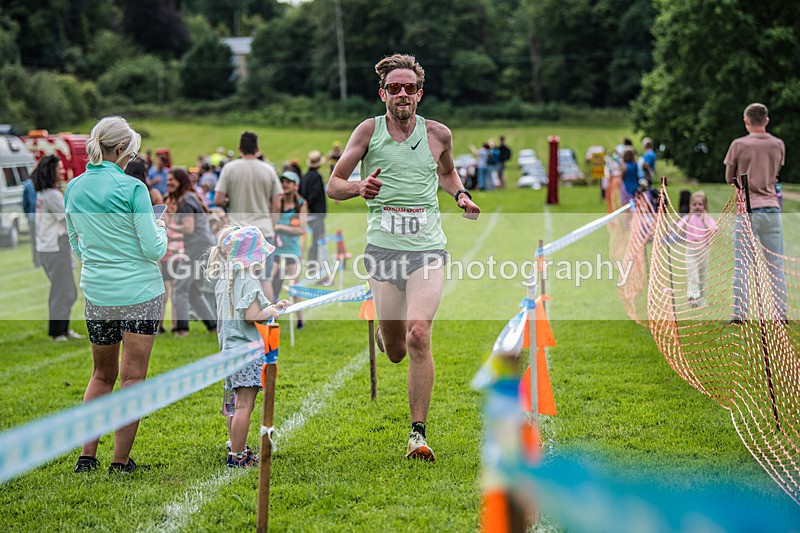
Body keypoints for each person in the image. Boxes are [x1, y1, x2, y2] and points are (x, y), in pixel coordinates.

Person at [326, 53, 480, 461]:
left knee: (419, 334)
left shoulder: (438, 134)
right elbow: (334, 185)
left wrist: (460, 195)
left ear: (419, 93)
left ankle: (418, 433)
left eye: (409, 87)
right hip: (383, 251)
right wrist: (359, 188)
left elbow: (447, 173)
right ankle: (384, 332)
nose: (402, 94)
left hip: (427, 249)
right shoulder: (367, 131)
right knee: (394, 348)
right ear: (383, 94)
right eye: (394, 88)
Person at [65, 115, 167, 473]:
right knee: (133, 378)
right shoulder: (133, 189)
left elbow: (76, 243)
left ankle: (86, 456)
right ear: (121, 148)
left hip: (98, 292)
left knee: (101, 375)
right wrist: (161, 226)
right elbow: (153, 249)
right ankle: (120, 462)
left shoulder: (74, 188)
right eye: (131, 152)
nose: (131, 158)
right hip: (140, 291)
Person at [207, 225, 289, 468]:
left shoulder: (227, 278)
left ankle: (236, 446)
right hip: (246, 351)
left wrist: (274, 306)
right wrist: (270, 311)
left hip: (228, 350)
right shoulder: (249, 279)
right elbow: (252, 315)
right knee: (244, 405)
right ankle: (238, 456)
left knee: (233, 404)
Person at [724, 102, 786, 323]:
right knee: (775, 264)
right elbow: (775, 173)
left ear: (746, 121)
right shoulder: (778, 144)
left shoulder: (739, 144)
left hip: (747, 209)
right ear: (766, 120)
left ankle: (740, 315)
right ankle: (780, 315)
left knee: (742, 264)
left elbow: (729, 176)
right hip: (771, 208)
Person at [214, 131, 283, 301]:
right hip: (263, 229)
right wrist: (272, 224)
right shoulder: (268, 169)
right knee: (265, 278)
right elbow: (276, 204)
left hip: (237, 231)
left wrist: (230, 202)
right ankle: (268, 321)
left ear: (239, 148)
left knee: (235, 278)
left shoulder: (229, 168)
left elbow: (218, 199)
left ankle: (236, 316)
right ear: (257, 148)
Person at [32, 155, 81, 341]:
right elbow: (69, 219)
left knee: (65, 291)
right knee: (64, 291)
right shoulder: (52, 195)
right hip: (55, 247)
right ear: (50, 171)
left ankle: (63, 330)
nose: (63, 171)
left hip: (49, 247)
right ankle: (57, 332)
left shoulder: (45, 193)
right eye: (59, 168)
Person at [166, 167, 217, 336]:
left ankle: (182, 330)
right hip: (204, 246)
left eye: (172, 179)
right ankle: (213, 326)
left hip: (197, 247)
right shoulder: (190, 197)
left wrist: (167, 225)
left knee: (180, 287)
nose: (168, 182)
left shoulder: (186, 200)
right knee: (194, 290)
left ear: (180, 181)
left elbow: (188, 228)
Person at [272, 170, 308, 328]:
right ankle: (269, 317)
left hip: (292, 251)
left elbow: (301, 229)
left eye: (288, 182)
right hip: (275, 251)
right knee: (269, 281)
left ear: (295, 185)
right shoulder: (276, 201)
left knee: (294, 287)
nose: (285, 184)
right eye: (283, 181)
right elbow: (270, 224)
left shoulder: (301, 204)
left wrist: (280, 227)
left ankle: (300, 320)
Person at [676, 191, 717, 308]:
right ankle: (693, 298)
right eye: (694, 204)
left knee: (702, 277)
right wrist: (687, 218)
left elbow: (713, 231)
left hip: (703, 251)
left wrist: (704, 220)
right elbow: (678, 230)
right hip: (690, 251)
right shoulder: (688, 218)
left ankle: (701, 300)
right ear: (690, 205)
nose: (697, 207)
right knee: (692, 275)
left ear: (705, 205)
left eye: (700, 204)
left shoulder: (707, 218)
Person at [299, 150, 328, 266]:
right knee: (318, 240)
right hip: (316, 213)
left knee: (313, 240)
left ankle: (312, 262)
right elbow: (314, 195)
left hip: (309, 214)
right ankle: (314, 263)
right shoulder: (316, 177)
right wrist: (309, 206)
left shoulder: (305, 176)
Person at [22, 172, 39, 268]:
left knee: (34, 240)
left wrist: (27, 214)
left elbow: (24, 203)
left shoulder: (27, 185)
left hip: (32, 215)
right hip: (42, 216)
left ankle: (36, 262)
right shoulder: (42, 183)